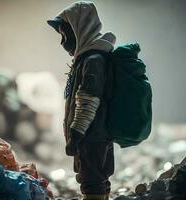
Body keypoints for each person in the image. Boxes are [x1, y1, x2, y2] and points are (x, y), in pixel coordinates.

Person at [47, 1, 116, 200]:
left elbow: (88, 99)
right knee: (98, 178)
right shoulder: (87, 58)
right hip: (95, 133)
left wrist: (76, 133)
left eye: (64, 34)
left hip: (91, 134)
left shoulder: (93, 60)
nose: (62, 41)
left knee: (91, 179)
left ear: (79, 30)